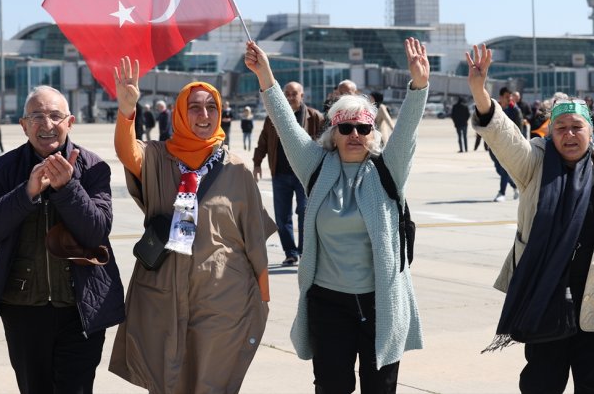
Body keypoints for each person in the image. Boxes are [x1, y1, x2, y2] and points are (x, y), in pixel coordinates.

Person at [467, 44, 594, 394]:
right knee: (542, 384)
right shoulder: (534, 165)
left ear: (591, 132)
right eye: (561, 128)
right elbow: (504, 137)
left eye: (576, 127)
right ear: (550, 133)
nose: (569, 135)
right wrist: (481, 92)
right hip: (546, 297)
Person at [245, 37, 427, 393]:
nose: (355, 135)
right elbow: (285, 123)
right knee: (331, 387)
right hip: (329, 303)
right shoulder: (316, 166)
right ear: (334, 132)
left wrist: (419, 85)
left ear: (372, 132)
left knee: (380, 388)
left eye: (363, 128)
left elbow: (407, 129)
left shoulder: (388, 169)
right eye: (346, 128)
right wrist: (265, 75)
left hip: (381, 303)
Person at [109, 57, 276, 394]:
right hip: (165, 290)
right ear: (181, 113)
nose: (203, 115)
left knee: (210, 379)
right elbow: (128, 153)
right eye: (195, 107)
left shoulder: (237, 167)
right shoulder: (159, 156)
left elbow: (255, 237)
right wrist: (127, 111)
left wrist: (261, 297)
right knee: (167, 376)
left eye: (211, 107)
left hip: (221, 294)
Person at [0, 86, 125, 394]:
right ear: (23, 125)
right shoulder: (3, 169)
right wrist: (27, 192)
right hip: (24, 308)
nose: (47, 124)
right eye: (37, 116)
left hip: (80, 307)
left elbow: (96, 231)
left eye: (55, 115)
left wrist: (68, 188)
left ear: (70, 122)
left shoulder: (93, 167)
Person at [253, 81, 325, 266]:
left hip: (304, 174)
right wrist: (257, 163)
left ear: (302, 96)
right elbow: (263, 141)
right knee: (281, 216)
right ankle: (290, 253)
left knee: (305, 212)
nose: (290, 97)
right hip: (280, 174)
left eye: (294, 94)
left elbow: (326, 144)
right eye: (287, 94)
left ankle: (304, 252)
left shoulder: (315, 117)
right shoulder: (274, 117)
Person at [491, 87, 521, 202]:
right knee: (499, 169)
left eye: (511, 96)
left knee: (504, 169)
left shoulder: (515, 110)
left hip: (509, 144)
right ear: (501, 97)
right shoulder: (494, 109)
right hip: (494, 145)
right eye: (507, 97)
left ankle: (501, 193)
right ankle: (515, 187)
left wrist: (518, 144)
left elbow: (519, 128)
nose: (510, 99)